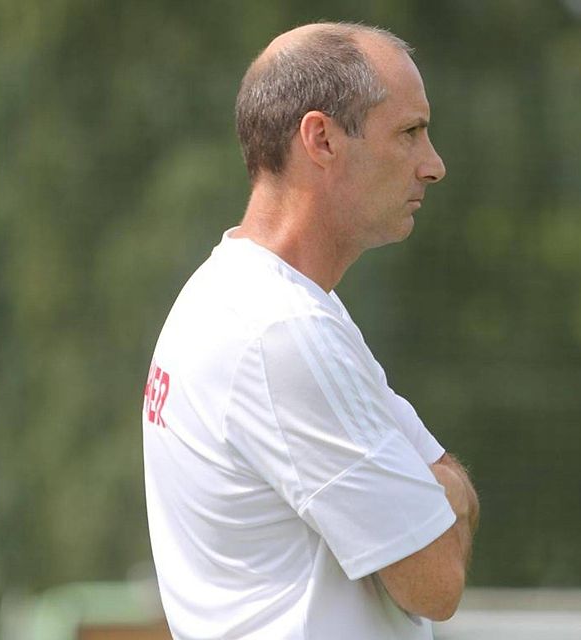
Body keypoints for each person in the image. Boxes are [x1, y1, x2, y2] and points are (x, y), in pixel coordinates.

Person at [142, 22, 479, 640]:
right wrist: (441, 487)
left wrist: (429, 492)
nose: (434, 166)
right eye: (409, 133)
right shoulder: (282, 331)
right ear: (321, 138)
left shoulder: (239, 298)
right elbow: (436, 581)